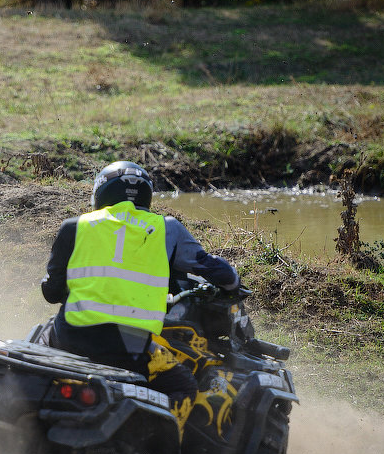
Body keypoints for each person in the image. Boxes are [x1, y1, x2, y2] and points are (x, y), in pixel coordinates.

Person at [39, 160, 240, 433]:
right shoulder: (166, 229)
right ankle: (162, 452)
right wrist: (233, 283)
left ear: (100, 192)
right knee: (183, 386)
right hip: (130, 348)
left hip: (70, 339)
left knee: (38, 340)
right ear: (147, 194)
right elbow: (216, 270)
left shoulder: (75, 226)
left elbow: (51, 293)